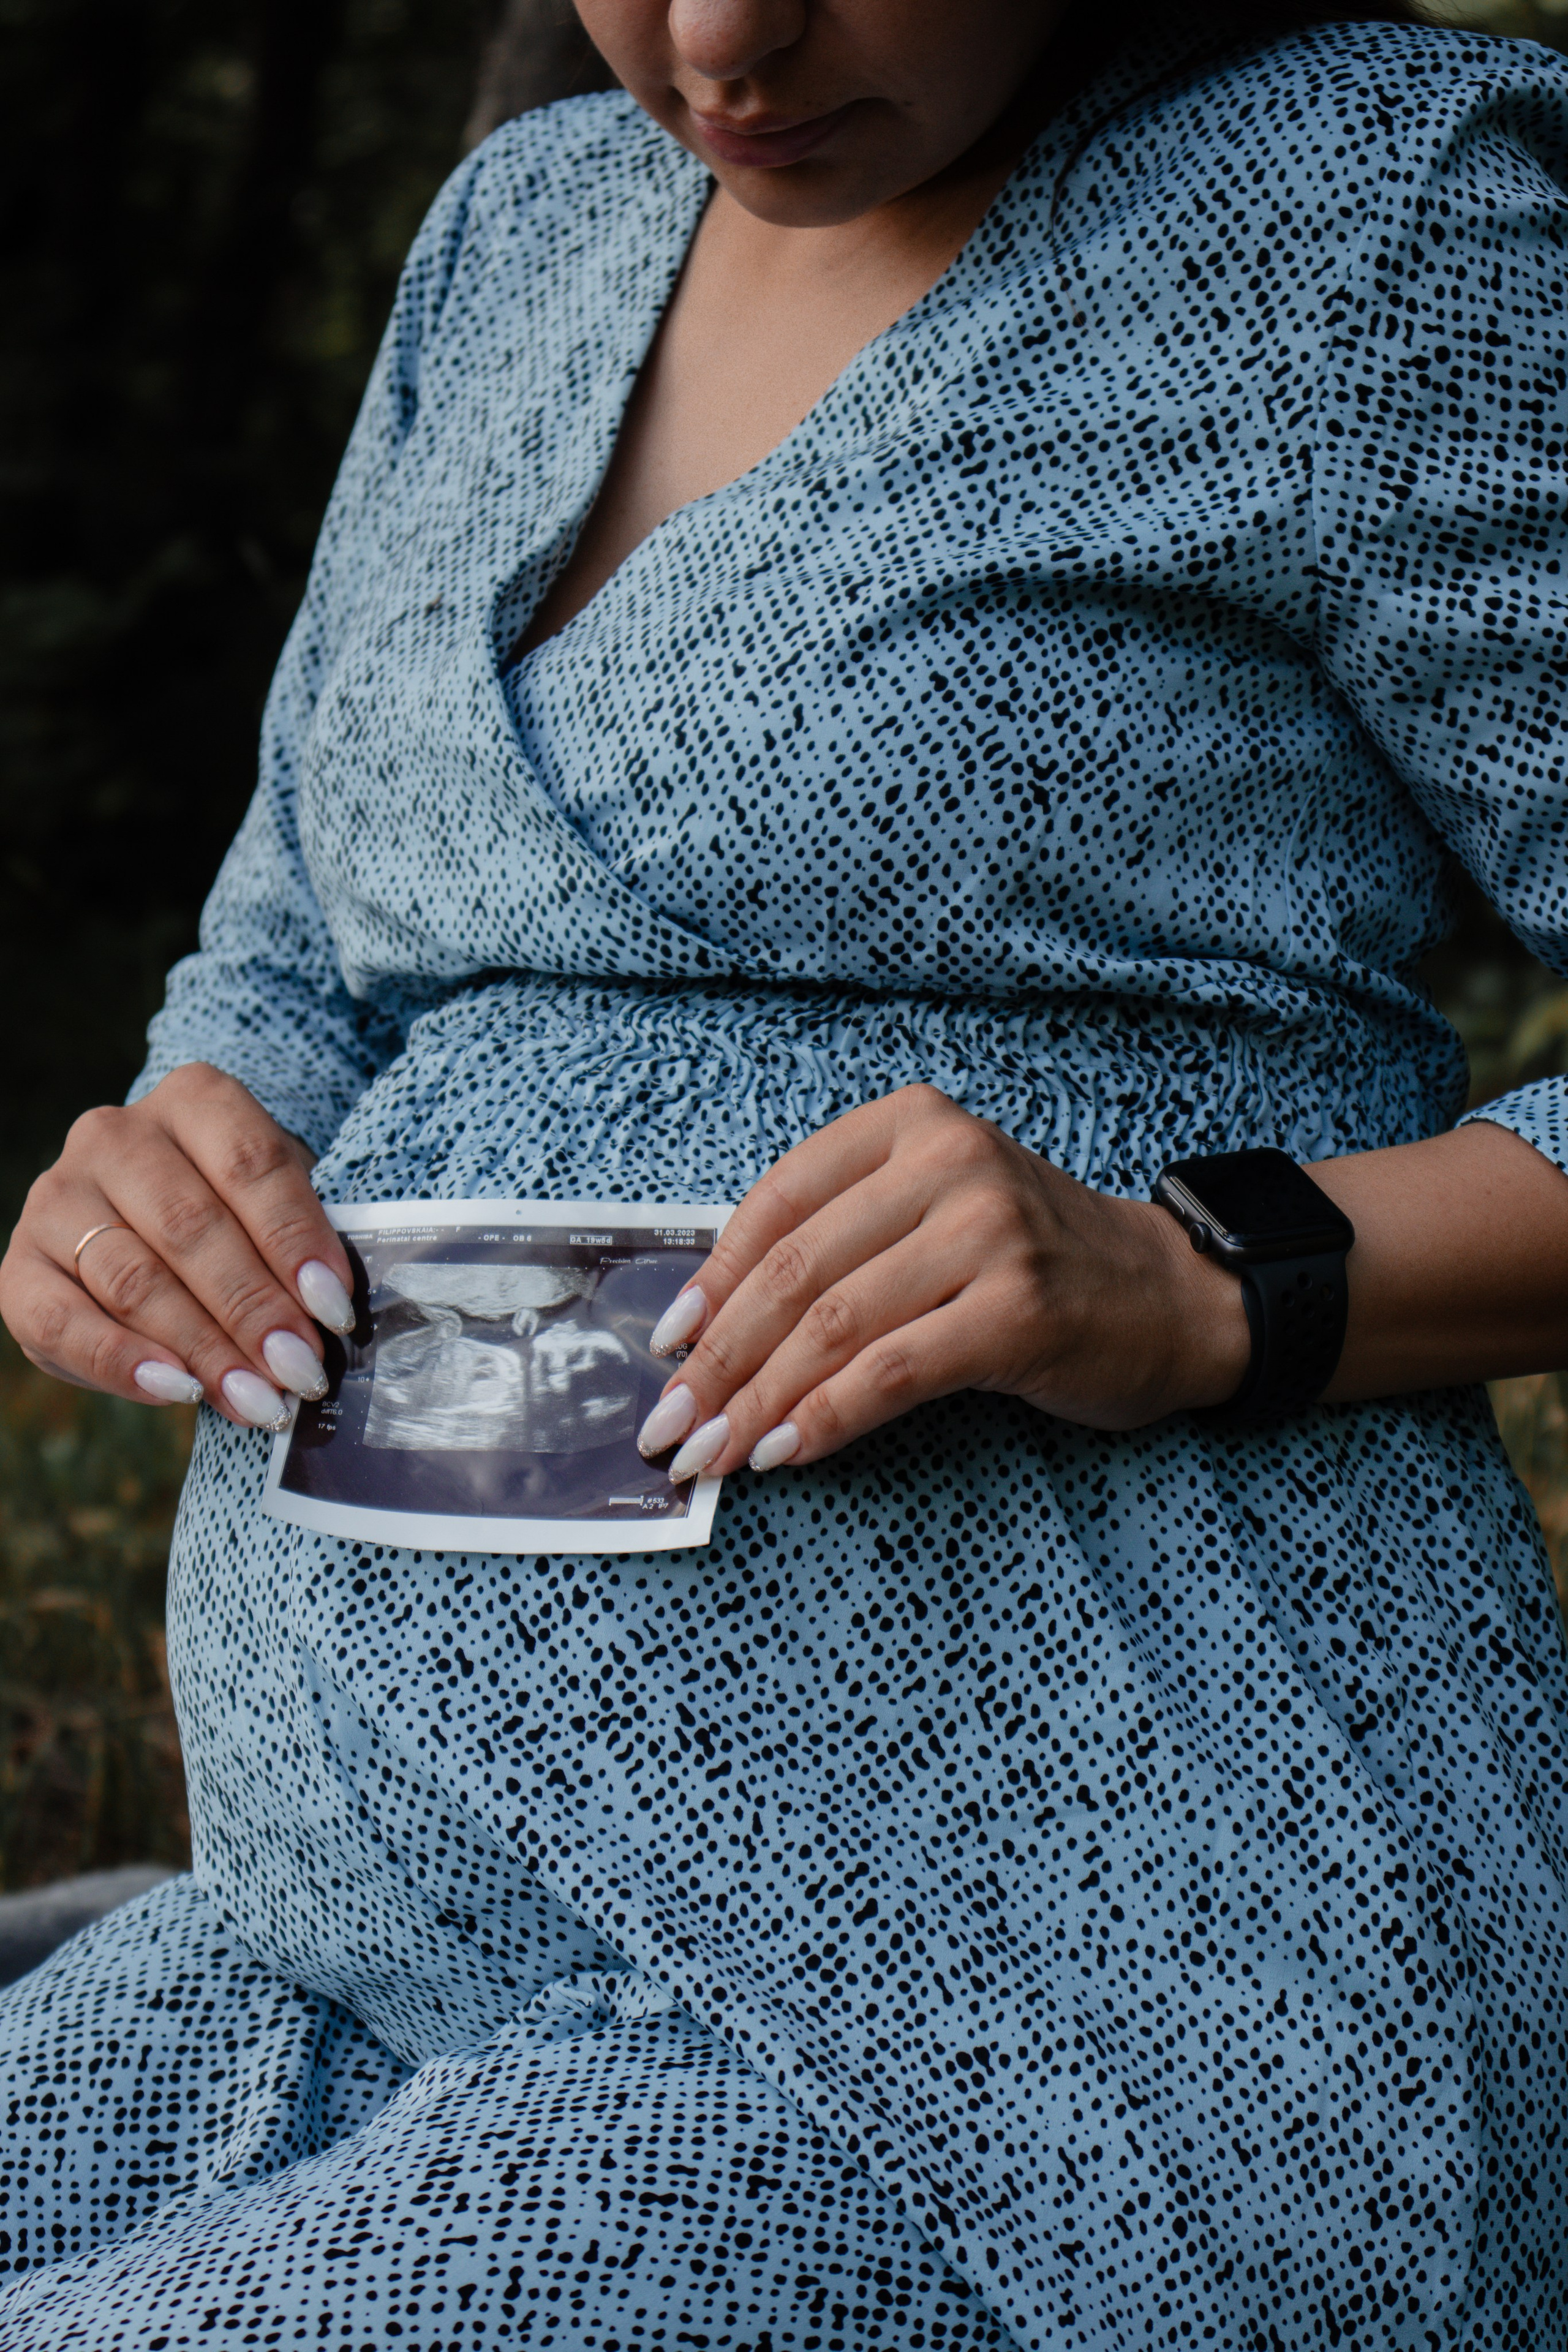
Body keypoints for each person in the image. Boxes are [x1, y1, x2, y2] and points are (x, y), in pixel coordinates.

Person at [1, 0, 1566, 2342]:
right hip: (331, 1949)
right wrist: (162, 1163)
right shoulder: (519, 232)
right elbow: (296, 944)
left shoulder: (1377, 223)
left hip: (1042, 2018)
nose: (719, 35)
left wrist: (1196, 1279)